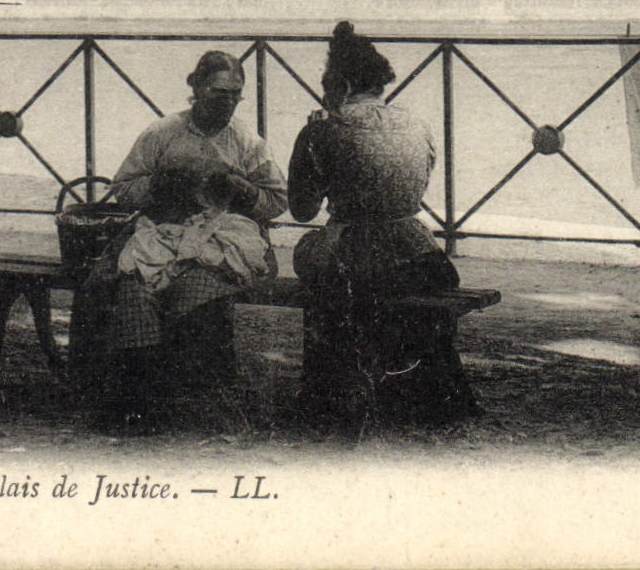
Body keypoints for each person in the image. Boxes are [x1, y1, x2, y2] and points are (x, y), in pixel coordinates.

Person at [84, 50, 287, 429]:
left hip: (223, 238)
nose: (227, 103)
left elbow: (277, 202)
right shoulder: (163, 133)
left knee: (192, 294)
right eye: (218, 92)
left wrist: (238, 186)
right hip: (163, 231)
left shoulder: (246, 141)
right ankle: (139, 401)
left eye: (235, 95)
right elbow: (123, 188)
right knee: (135, 290)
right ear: (194, 86)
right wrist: (162, 182)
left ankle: (197, 398)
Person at [288, 21, 460, 425]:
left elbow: (303, 210)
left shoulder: (322, 130)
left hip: (357, 260)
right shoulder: (417, 125)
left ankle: (331, 392)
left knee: (309, 254)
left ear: (340, 85)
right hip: (422, 259)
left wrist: (312, 143)